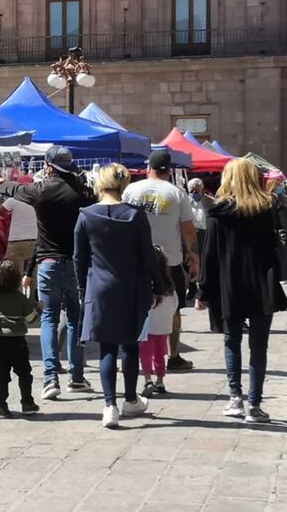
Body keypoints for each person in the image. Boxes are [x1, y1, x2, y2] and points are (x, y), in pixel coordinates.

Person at [0, 146, 96, 401]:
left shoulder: (41, 191)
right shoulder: (84, 193)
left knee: (49, 318)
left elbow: (15, 189)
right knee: (75, 318)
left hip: (48, 262)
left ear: (49, 166)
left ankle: (50, 378)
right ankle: (76, 376)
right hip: (75, 263)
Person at [197, 158, 287, 423]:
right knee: (259, 345)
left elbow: (210, 256)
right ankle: (255, 404)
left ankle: (235, 398)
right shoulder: (267, 209)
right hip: (263, 283)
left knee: (232, 341)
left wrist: (203, 292)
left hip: (230, 284)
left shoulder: (217, 214)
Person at [74, 163, 160, 428]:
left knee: (106, 347)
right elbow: (148, 255)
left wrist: (81, 289)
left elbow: (79, 258)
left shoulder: (86, 216)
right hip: (131, 286)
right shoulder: (136, 215)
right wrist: (156, 285)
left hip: (99, 286)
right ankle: (131, 399)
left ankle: (109, 404)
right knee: (130, 344)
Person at [123, 149, 199, 372]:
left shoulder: (131, 190)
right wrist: (195, 260)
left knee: (134, 307)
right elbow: (189, 231)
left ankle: (131, 354)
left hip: (137, 260)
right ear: (170, 170)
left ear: (148, 168)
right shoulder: (177, 193)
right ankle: (173, 356)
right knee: (173, 309)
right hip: (169, 261)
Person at [0, 260, 41, 419]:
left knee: (1, 374)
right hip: (18, 341)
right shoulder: (19, 298)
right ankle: (27, 403)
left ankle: (0, 406)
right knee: (24, 373)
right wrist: (38, 309)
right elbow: (32, 318)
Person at [141, 247, 179, 397]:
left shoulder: (146, 286)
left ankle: (147, 379)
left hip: (148, 328)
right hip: (164, 327)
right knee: (160, 355)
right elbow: (175, 305)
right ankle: (160, 381)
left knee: (145, 354)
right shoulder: (170, 287)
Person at [187, 178, 212, 300]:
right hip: (192, 233)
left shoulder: (208, 200)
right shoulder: (186, 201)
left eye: (197, 190)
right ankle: (192, 288)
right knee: (191, 261)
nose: (194, 192)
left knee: (204, 261)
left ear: (201, 189)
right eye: (192, 190)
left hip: (206, 233)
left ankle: (204, 287)